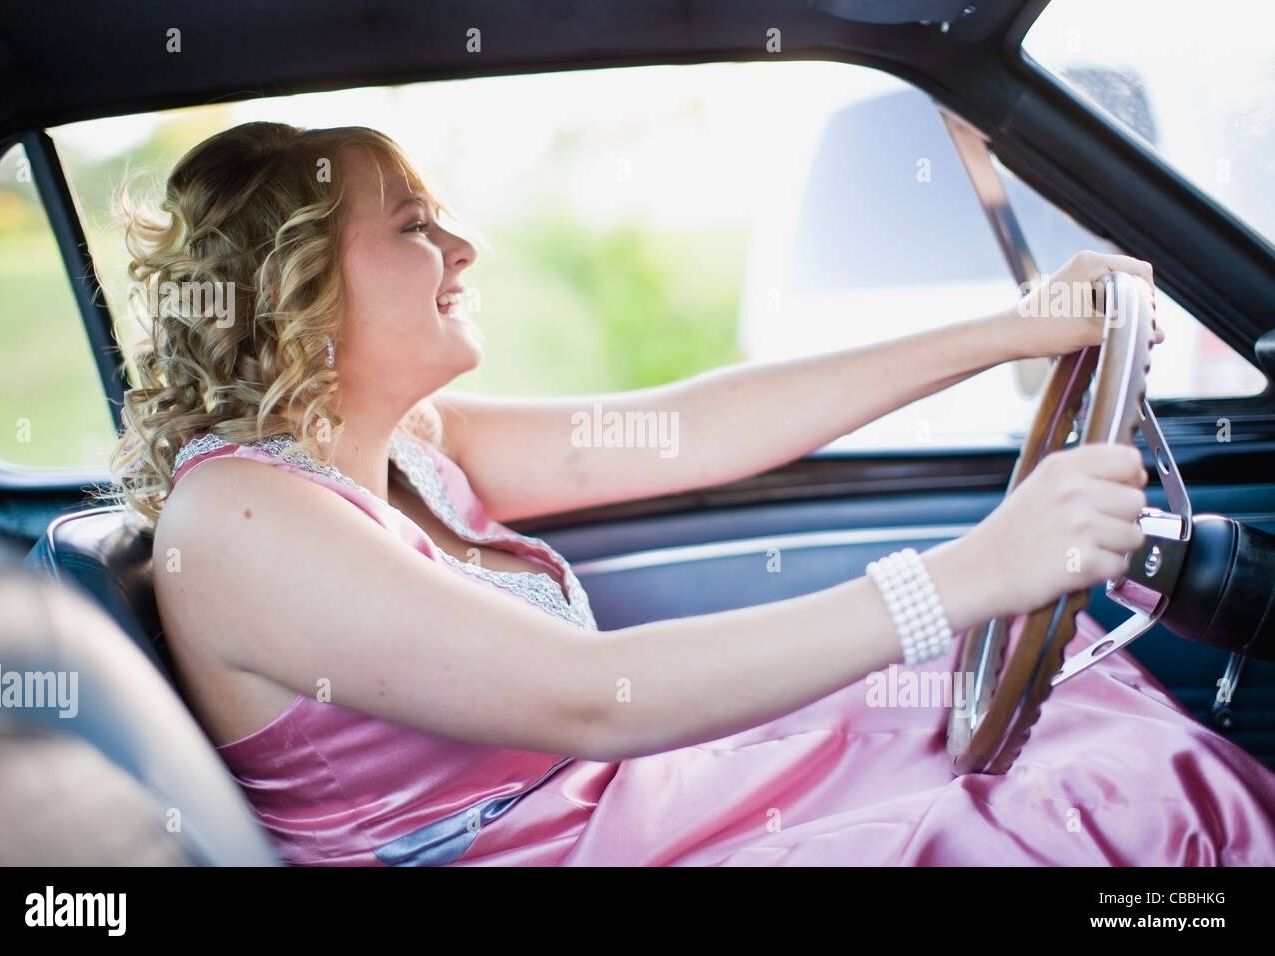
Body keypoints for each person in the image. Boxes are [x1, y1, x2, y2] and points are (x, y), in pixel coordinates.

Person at [104, 121, 1275, 866]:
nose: (466, 248)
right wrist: (977, 571)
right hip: (541, 843)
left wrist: (1011, 329)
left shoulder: (413, 442)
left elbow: (699, 428)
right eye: (415, 227)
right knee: (1081, 817)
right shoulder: (240, 520)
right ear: (298, 284)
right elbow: (594, 699)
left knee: (1085, 723)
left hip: (616, 807)